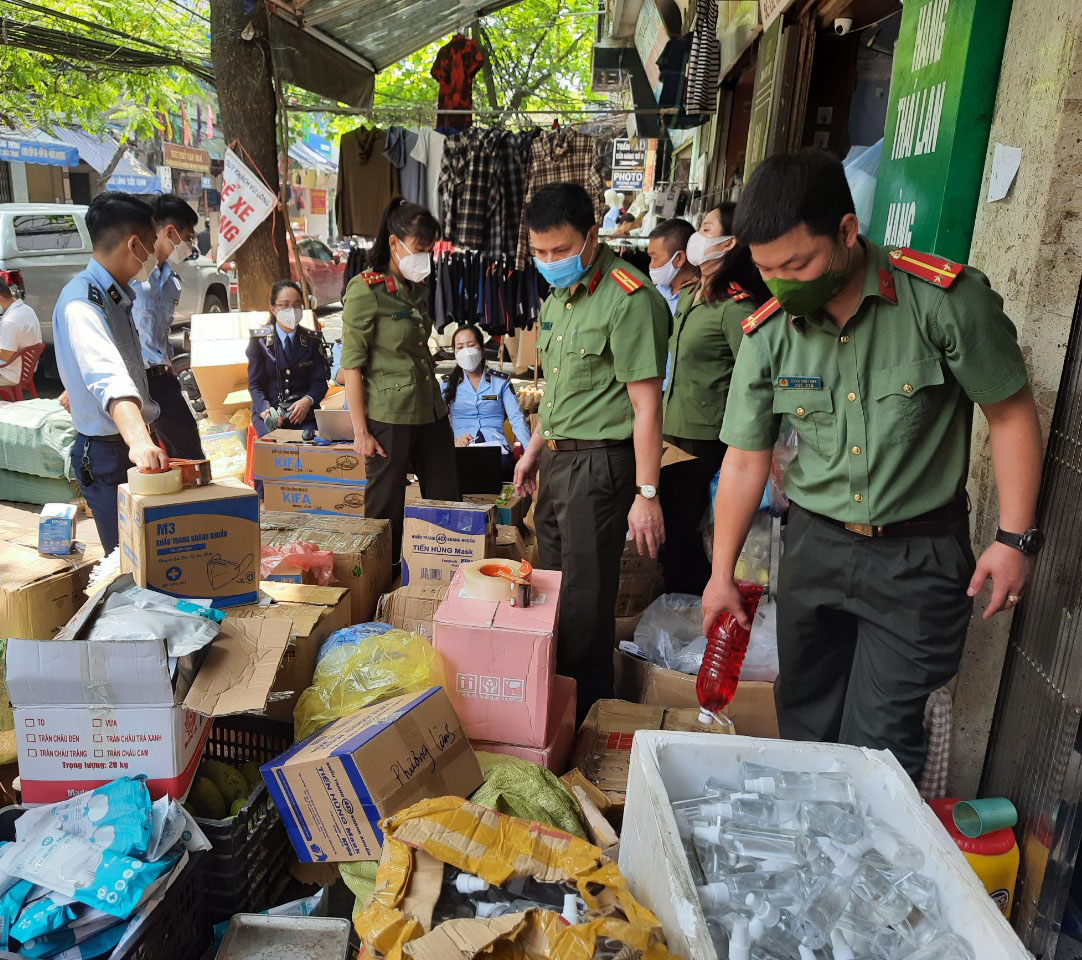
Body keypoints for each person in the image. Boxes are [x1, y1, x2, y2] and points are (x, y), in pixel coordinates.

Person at [704, 149, 1044, 778]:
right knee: (804, 719)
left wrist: (1014, 538)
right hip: (815, 551)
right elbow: (747, 459)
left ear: (845, 231)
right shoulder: (769, 331)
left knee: (877, 742)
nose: (783, 282)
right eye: (768, 269)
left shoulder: (942, 300)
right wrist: (721, 571)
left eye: (798, 264)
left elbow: (1011, 412)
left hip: (916, 559)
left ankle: (866, 868)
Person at [514, 182, 669, 721]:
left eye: (560, 250)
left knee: (585, 602)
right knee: (550, 591)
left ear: (591, 235)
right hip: (557, 459)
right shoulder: (559, 298)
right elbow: (558, 393)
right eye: (539, 252)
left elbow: (647, 406)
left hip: (599, 465)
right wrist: (535, 448)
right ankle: (554, 707)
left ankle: (588, 720)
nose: (550, 261)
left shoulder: (630, 299)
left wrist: (647, 492)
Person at [340, 197, 460, 566]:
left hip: (430, 409)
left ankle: (442, 570)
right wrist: (360, 431)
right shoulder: (366, 290)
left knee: (446, 495)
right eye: (420, 248)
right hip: (388, 415)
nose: (425, 256)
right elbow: (352, 366)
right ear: (394, 243)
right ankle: (378, 582)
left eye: (429, 249)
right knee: (385, 508)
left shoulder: (416, 288)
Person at [659, 202, 771, 597]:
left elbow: (758, 374)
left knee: (686, 536)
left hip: (707, 439)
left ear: (730, 242)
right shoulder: (692, 294)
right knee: (671, 534)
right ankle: (675, 604)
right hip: (674, 430)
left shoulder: (734, 305)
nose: (696, 236)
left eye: (706, 228)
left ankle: (691, 606)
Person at [53, 192, 169, 553]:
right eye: (150, 245)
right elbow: (109, 378)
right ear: (133, 244)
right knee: (127, 563)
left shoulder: (113, 295)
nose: (153, 254)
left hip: (125, 445)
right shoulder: (83, 302)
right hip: (109, 453)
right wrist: (139, 441)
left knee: (149, 555)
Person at [130, 194, 204, 460]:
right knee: (143, 457)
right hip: (133, 378)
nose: (189, 244)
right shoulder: (132, 275)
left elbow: (160, 332)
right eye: (189, 236)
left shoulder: (170, 280)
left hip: (162, 378)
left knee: (187, 449)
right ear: (170, 231)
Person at [443, 324, 532, 479]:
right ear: (455, 353)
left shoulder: (500, 382)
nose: (466, 351)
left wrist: (531, 454)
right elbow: (436, 421)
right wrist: (453, 440)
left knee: (501, 473)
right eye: (460, 347)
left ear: (482, 349)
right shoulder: (446, 383)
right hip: (459, 448)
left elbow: (517, 419)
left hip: (496, 449)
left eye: (471, 345)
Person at [246, 280, 329, 438]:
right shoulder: (260, 340)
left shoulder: (312, 340)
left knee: (309, 446)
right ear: (273, 308)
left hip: (303, 413)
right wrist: (265, 410)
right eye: (284, 305)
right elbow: (255, 385)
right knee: (274, 448)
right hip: (269, 413)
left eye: (297, 305)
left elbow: (320, 382)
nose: (291, 310)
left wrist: (307, 400)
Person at [647, 218, 698, 316]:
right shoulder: (655, 292)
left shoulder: (699, 297)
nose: (651, 265)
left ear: (679, 259)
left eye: (655, 258)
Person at [0, 279, 42, 387]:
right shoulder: (27, 309)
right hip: (26, 370)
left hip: (10, 374)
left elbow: (5, 356)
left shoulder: (10, 321)